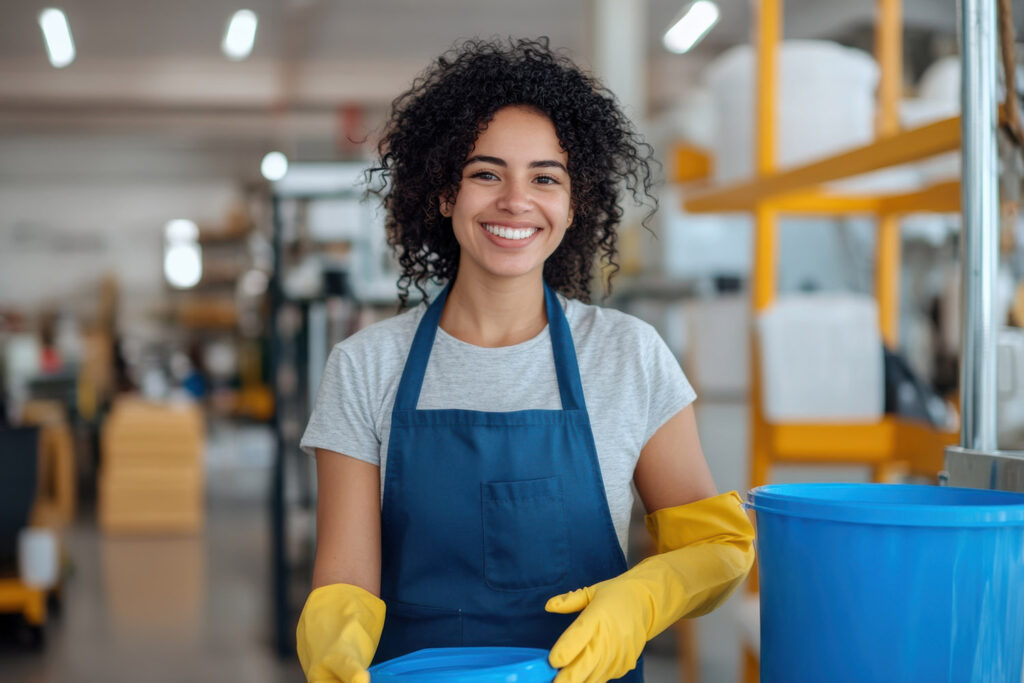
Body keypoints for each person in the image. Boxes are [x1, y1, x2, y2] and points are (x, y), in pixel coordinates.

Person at [296, 37, 755, 683]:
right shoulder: (365, 365)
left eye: (546, 177)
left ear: (574, 204)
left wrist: (648, 595)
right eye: (486, 173)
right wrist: (335, 642)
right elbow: (345, 574)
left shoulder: (627, 355)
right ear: (443, 193)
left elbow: (718, 546)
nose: (516, 200)